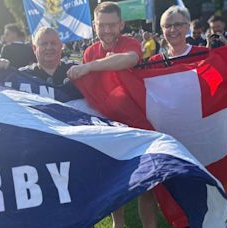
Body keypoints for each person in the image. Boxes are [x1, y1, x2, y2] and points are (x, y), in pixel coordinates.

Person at [67, 2, 155, 228]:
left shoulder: (131, 43)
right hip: (110, 125)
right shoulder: (89, 51)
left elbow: (129, 59)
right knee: (115, 179)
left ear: (121, 24)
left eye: (111, 25)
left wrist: (89, 67)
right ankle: (119, 224)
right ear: (94, 25)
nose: (106, 30)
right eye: (101, 25)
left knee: (147, 182)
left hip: (138, 121)